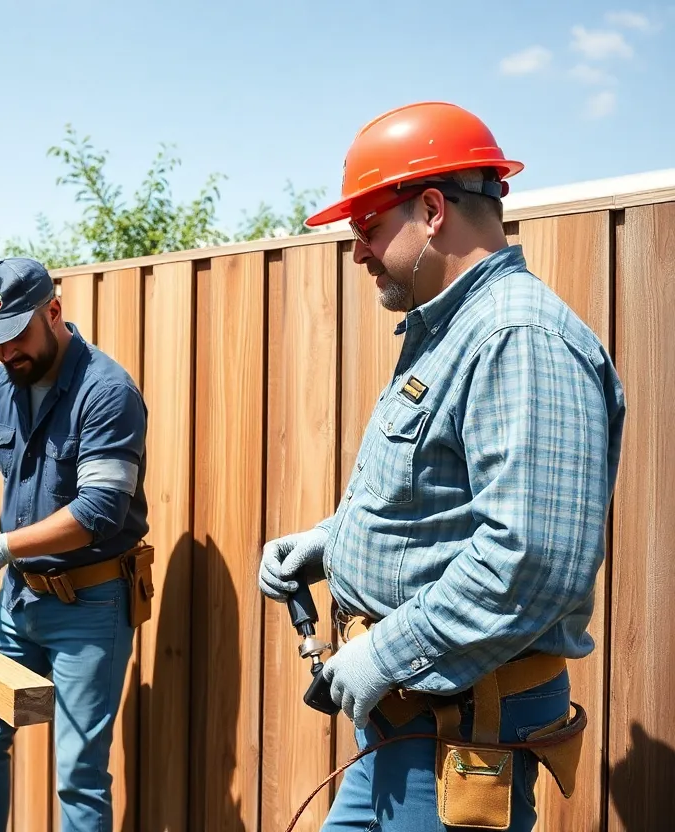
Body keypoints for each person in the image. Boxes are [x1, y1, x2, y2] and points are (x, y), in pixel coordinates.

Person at [258, 102, 626, 831]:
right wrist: (335, 541)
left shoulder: (519, 338)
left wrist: (384, 653)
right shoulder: (451, 330)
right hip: (412, 720)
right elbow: (438, 498)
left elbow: (531, 561)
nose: (357, 250)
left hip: (463, 729)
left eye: (366, 226)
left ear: (430, 210)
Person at [0, 257, 152, 832]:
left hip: (89, 603)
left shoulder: (106, 391)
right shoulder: (0, 385)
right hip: (16, 604)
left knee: (78, 775)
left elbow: (99, 511)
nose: (6, 352)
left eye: (15, 334)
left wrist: (2, 546)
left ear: (53, 312)